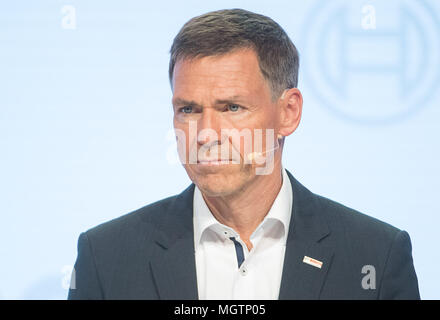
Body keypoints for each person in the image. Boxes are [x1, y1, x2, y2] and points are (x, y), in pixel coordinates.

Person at [68, 8, 420, 300]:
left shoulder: (375, 256)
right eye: (188, 110)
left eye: (232, 107)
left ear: (288, 112)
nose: (205, 134)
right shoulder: (107, 258)